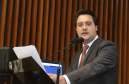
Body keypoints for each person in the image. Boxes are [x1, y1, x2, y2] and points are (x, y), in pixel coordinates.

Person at [48, 9, 119, 84]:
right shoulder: (77, 55)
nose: (84, 27)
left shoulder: (108, 47)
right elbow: (69, 78)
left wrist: (64, 79)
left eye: (88, 24)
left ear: (96, 27)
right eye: (80, 25)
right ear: (76, 30)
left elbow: (94, 67)